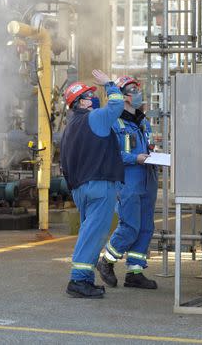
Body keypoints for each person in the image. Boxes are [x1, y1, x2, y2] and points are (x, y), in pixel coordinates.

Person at [60, 69, 125, 298]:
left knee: (89, 232)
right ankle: (78, 281)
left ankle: (85, 278)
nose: (93, 98)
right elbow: (117, 106)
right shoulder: (94, 118)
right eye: (89, 95)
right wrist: (110, 84)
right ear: (80, 102)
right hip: (99, 186)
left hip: (80, 189)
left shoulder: (69, 129)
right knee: (94, 234)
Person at [96, 75, 158, 290]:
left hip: (148, 178)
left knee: (146, 228)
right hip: (128, 181)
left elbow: (146, 147)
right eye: (132, 89)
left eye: (137, 88)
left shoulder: (143, 122)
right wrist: (135, 158)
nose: (137, 93)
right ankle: (106, 261)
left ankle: (135, 272)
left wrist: (153, 153)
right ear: (123, 96)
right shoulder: (113, 123)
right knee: (130, 227)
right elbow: (110, 155)